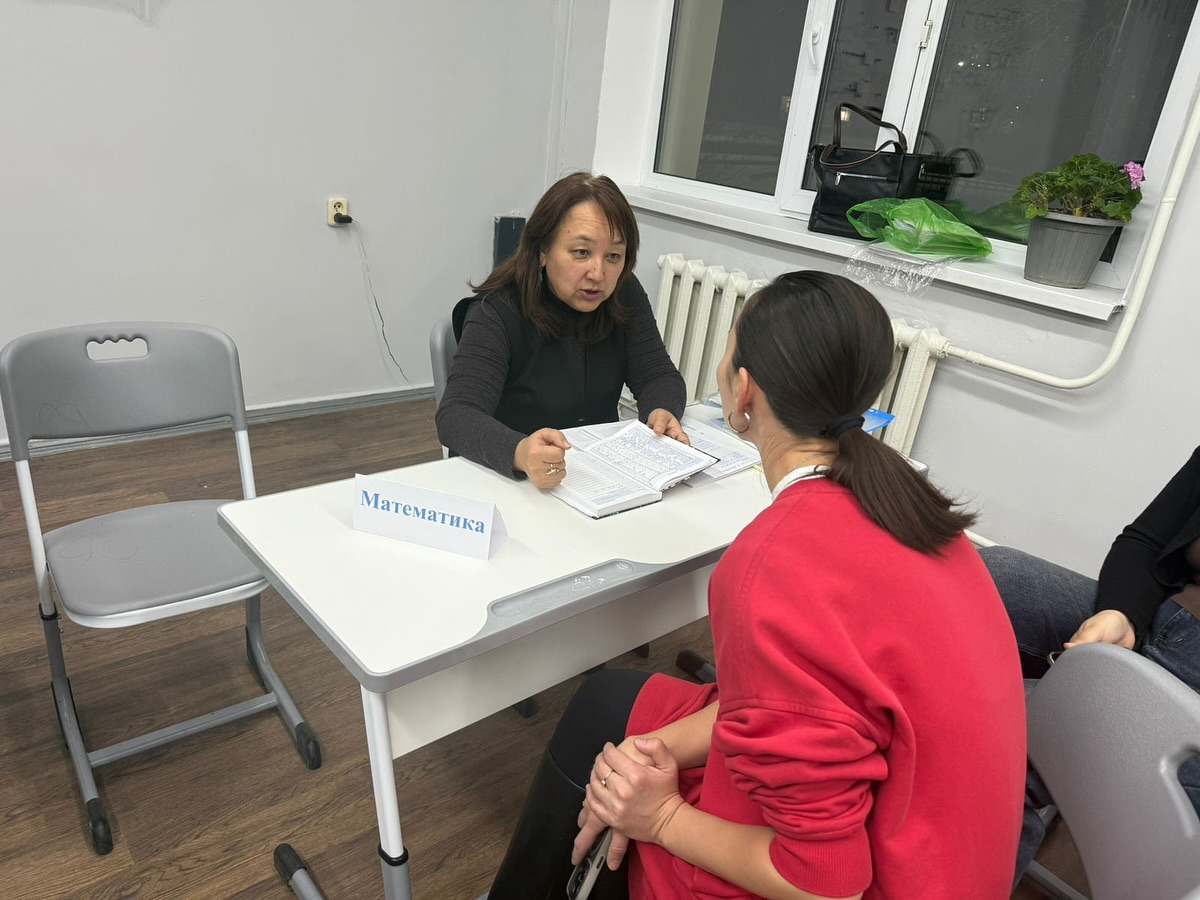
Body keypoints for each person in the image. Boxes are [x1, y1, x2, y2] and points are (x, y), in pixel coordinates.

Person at [486, 271, 1027, 900]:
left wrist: (660, 817)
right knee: (610, 712)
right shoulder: (911, 504)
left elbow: (828, 885)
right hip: (941, 844)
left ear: (743, 391)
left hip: (873, 876)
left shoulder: (769, 567)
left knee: (617, 795)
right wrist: (643, 752)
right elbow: (810, 697)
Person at [981, 445, 1200, 882]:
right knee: (989, 577)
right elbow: (1146, 541)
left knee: (998, 743)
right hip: (1168, 615)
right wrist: (1122, 613)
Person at [435, 171, 688, 488]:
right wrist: (519, 451)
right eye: (581, 252)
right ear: (543, 250)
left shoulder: (623, 293)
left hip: (597, 476)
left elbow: (657, 374)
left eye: (613, 256)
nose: (598, 273)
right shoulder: (496, 311)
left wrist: (661, 411)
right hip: (515, 482)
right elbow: (456, 415)